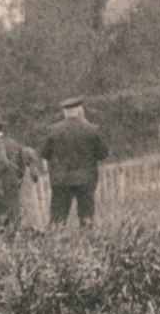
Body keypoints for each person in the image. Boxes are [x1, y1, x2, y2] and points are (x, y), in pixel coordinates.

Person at [41, 96, 109, 227]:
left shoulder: (53, 130)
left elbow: (45, 153)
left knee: (57, 219)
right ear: (80, 111)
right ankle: (89, 244)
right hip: (86, 179)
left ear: (64, 112)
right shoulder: (91, 129)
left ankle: (55, 244)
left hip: (61, 180)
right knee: (86, 218)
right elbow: (103, 154)